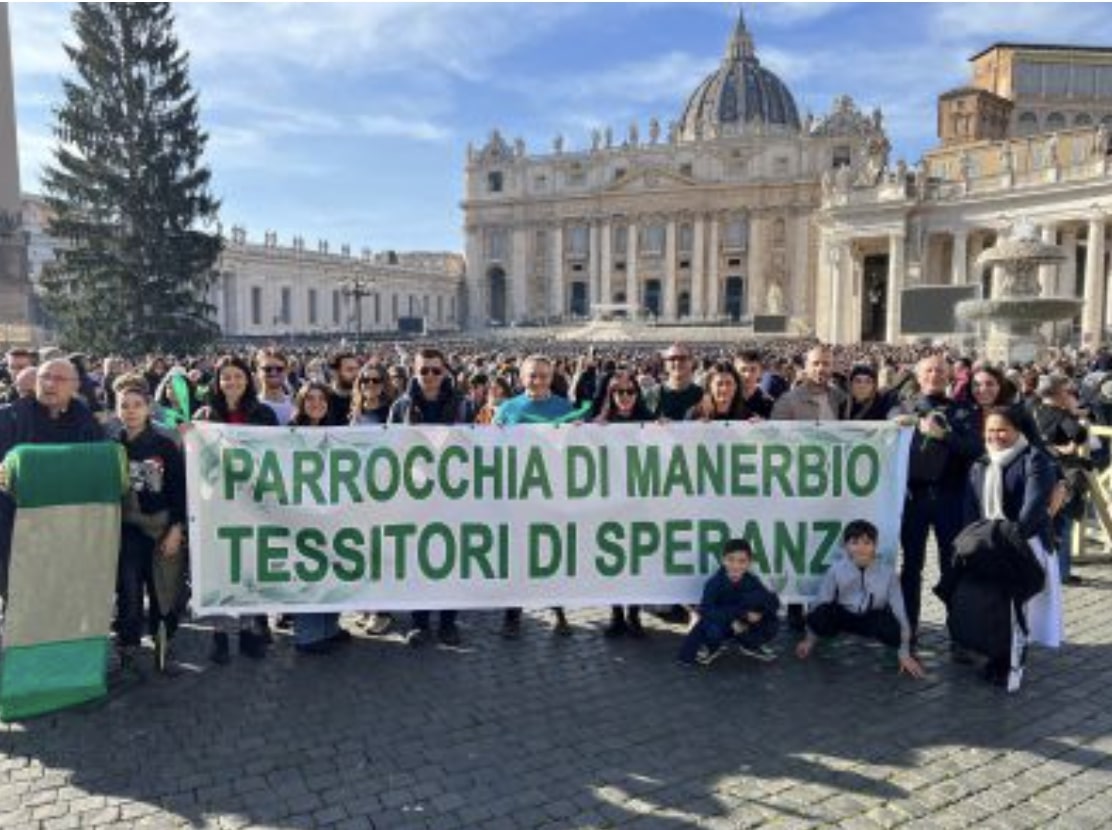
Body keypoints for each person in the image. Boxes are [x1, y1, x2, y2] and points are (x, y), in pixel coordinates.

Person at [951, 407, 1059, 689]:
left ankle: (1012, 666)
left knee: (1016, 609)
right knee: (992, 607)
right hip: (988, 545)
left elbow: (1033, 509)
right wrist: (972, 542)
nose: (995, 436)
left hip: (1022, 545)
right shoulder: (980, 464)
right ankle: (994, 658)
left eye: (1002, 430)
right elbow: (970, 509)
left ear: (1018, 431)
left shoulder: (1035, 460)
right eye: (989, 431)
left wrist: (1006, 539)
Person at [194, 355, 280, 663]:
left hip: (253, 504)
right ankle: (219, 635)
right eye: (226, 377)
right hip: (216, 505)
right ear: (217, 382)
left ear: (248, 380)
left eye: (238, 377)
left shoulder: (264, 414)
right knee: (219, 570)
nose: (232, 382)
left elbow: (277, 455)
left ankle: (248, 631)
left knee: (249, 568)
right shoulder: (204, 415)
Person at [889, 354, 980, 643]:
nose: (934, 375)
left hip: (949, 498)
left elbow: (974, 448)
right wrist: (900, 423)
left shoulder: (964, 411)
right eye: (928, 370)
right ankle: (908, 628)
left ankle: (959, 631)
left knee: (951, 566)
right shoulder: (901, 408)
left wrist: (944, 435)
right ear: (918, 375)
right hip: (913, 499)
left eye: (940, 371)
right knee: (911, 567)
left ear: (950, 376)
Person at [0, 358, 104, 604]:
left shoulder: (85, 421)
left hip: (64, 520)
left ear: (75, 386)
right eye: (44, 377)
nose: (49, 384)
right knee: (17, 590)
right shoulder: (10, 417)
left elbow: (97, 465)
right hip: (14, 519)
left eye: (59, 379)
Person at [493, 354, 575, 638]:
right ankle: (512, 615)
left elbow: (582, 446)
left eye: (543, 375)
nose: (537, 381)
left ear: (551, 378)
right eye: (532, 375)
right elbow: (491, 446)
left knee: (551, 555)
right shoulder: (507, 408)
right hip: (516, 496)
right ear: (521, 378)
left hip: (553, 495)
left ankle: (559, 610)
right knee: (516, 557)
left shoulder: (565, 407)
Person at [389, 348, 464, 647]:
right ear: (414, 372)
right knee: (417, 559)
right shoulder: (401, 406)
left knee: (452, 559)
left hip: (453, 493)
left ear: (445, 371)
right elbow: (389, 445)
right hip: (414, 494)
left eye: (436, 370)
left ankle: (448, 622)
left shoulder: (463, 404)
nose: (430, 376)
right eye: (424, 371)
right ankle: (420, 622)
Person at [112, 374, 187, 673]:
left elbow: (178, 489)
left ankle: (163, 643)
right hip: (128, 528)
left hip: (162, 526)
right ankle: (128, 645)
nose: (130, 411)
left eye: (136, 405)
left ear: (148, 408)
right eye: (124, 406)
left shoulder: (164, 445)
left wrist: (177, 528)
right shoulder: (112, 446)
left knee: (164, 590)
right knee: (129, 588)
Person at [772, 345, 844, 632]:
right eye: (816, 364)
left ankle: (823, 603)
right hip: (796, 485)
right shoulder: (788, 401)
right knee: (797, 546)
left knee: (825, 545)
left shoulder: (841, 399)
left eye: (826, 364)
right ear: (805, 367)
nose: (822, 369)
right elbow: (774, 439)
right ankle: (793, 605)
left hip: (832, 485)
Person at [795, 520, 924, 678]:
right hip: (844, 616)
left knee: (897, 626)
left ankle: (893, 652)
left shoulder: (888, 574)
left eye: (867, 542)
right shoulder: (836, 570)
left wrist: (904, 653)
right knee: (820, 613)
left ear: (875, 545)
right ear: (846, 546)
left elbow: (900, 612)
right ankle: (825, 638)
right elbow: (820, 602)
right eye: (854, 542)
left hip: (872, 618)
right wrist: (809, 640)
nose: (861, 548)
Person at [288, 381, 353, 654]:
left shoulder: (338, 433)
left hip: (333, 515)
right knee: (309, 572)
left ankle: (329, 627)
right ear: (301, 404)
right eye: (310, 399)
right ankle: (308, 636)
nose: (316, 403)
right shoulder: (287, 435)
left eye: (321, 399)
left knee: (333, 571)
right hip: (301, 515)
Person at [594, 369, 653, 638]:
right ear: (611, 394)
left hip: (640, 503)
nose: (626, 397)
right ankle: (616, 614)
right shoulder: (601, 422)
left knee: (638, 561)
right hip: (610, 504)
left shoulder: (649, 421)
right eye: (620, 392)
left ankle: (634, 614)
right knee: (614, 562)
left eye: (630, 392)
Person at [677, 538, 780, 666]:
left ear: (749, 563)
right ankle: (712, 647)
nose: (736, 565)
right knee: (712, 629)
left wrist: (759, 612)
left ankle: (750, 645)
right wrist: (734, 619)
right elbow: (706, 610)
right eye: (731, 559)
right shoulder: (713, 583)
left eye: (742, 561)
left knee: (771, 622)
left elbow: (773, 603)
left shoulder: (753, 581)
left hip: (743, 623)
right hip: (722, 623)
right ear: (723, 560)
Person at [686, 361, 752, 421]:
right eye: (719, 384)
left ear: (736, 386)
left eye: (729, 383)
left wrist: (757, 427)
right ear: (710, 387)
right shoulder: (694, 414)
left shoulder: (746, 416)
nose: (724, 389)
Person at [657, 343, 703, 421]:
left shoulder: (701, 395)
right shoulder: (654, 395)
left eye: (683, 358)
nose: (677, 363)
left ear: (691, 362)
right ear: (665, 364)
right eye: (672, 358)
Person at [256, 348, 295, 425]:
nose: (273, 373)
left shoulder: (296, 405)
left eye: (279, 369)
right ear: (258, 372)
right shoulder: (251, 406)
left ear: (286, 371)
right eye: (267, 369)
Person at [735, 350, 774, 419]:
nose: (748, 375)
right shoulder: (728, 400)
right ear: (735, 373)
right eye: (743, 370)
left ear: (760, 372)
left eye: (753, 370)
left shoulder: (768, 403)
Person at [327, 351, 361, 426]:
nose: (356, 374)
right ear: (335, 372)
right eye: (350, 370)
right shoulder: (324, 397)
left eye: (357, 369)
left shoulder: (364, 397)